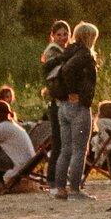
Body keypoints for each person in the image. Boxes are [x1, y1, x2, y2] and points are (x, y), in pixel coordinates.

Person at [50, 21, 99, 200]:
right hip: (78, 107)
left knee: (66, 149)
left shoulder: (67, 51)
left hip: (63, 107)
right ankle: (75, 190)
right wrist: (73, 92)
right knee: (80, 150)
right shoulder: (84, 54)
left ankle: (60, 188)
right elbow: (69, 70)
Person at [40, 20, 72, 182]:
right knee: (59, 141)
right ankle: (53, 177)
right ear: (52, 36)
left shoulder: (65, 50)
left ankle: (57, 175)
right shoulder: (53, 51)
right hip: (56, 102)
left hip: (60, 100)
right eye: (59, 34)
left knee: (62, 141)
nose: (62, 37)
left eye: (65, 34)